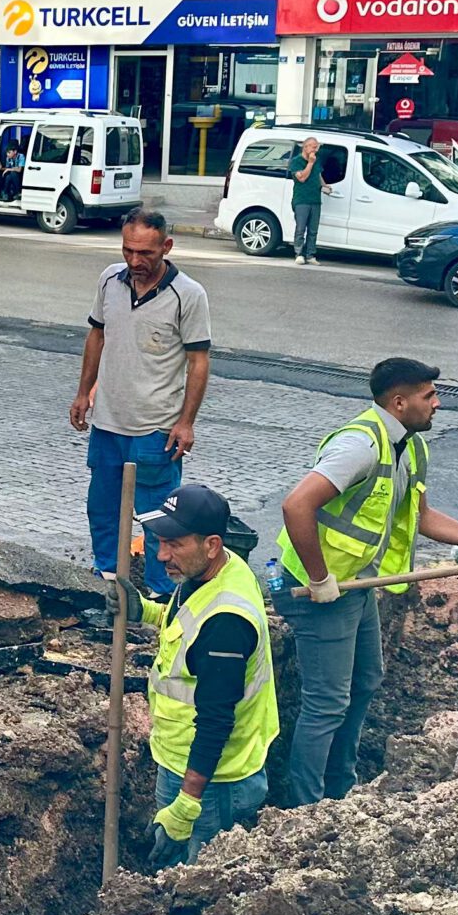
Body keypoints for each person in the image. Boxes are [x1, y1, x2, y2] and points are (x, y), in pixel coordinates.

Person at [275, 357, 458, 805]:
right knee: (327, 702)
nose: (438, 403)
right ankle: (306, 806)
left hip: (356, 585)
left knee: (366, 680)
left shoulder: (410, 446)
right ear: (399, 402)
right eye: (428, 395)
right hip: (318, 590)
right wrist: (320, 579)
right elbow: (297, 505)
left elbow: (423, 517)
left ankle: (342, 787)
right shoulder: (360, 445)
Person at [133, 483, 276, 867]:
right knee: (172, 870)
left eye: (174, 544)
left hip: (212, 781)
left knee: (199, 881)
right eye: (160, 541)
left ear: (211, 544)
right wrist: (143, 611)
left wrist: (188, 803)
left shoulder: (226, 623)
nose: (162, 555)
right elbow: (186, 624)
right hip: (181, 757)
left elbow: (216, 720)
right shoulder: (216, 570)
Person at [70, 210, 211, 596]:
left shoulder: (189, 295)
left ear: (166, 247)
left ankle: (162, 595)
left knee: (159, 521)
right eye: (128, 250)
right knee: (102, 509)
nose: (135, 261)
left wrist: (186, 422)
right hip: (108, 425)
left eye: (145, 252)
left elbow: (199, 362)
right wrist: (84, 393)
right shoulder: (109, 280)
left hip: (156, 430)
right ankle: (109, 584)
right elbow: (96, 336)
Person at [289, 136, 325, 265]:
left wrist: (325, 186)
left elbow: (318, 175)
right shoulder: (296, 161)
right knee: (301, 228)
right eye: (313, 146)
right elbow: (302, 178)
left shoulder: (317, 160)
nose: (315, 149)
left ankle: (310, 254)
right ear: (306, 147)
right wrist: (310, 163)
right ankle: (299, 253)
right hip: (302, 199)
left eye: (317, 147)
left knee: (313, 230)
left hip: (315, 199)